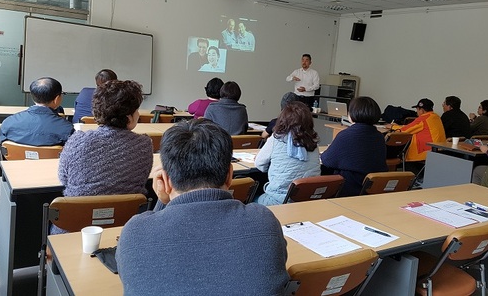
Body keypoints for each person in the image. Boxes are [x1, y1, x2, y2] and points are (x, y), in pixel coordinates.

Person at [116, 119, 289, 295]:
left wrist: (163, 201)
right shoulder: (264, 222)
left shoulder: (135, 232)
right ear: (230, 176)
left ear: (166, 181)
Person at [58, 80, 153, 198]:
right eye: (137, 111)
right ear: (129, 118)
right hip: (128, 213)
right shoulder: (143, 145)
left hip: (78, 213)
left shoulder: (77, 141)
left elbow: (63, 178)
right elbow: (141, 180)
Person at [255, 101, 321, 205]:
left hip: (278, 201)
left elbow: (259, 164)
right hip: (307, 201)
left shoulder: (276, 139)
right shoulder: (313, 143)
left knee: (253, 196)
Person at [321, 97, 387, 196]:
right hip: (372, 188)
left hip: (349, 189)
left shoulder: (345, 135)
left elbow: (327, 160)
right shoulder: (379, 137)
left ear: (351, 115)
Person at [0, 77, 73, 146]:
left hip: (15, 159)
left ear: (33, 97)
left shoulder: (8, 123)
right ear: (56, 99)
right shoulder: (67, 129)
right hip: (51, 160)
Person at [388, 98, 446, 163]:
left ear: (422, 110)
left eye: (417, 109)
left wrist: (392, 126)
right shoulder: (436, 117)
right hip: (439, 152)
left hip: (424, 154)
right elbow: (411, 127)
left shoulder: (423, 118)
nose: (417, 112)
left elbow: (404, 130)